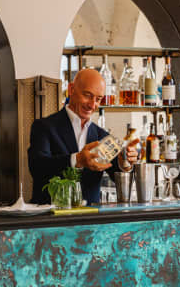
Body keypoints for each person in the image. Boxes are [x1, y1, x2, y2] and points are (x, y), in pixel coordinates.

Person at [28, 68, 139, 205]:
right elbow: (37, 167)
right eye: (87, 95)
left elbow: (120, 177)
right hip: (51, 219)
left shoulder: (102, 136)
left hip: (90, 221)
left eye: (98, 99)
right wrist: (77, 159)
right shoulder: (44, 127)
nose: (92, 105)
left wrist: (125, 163)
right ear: (71, 89)